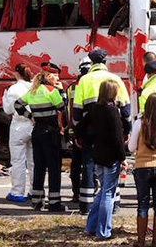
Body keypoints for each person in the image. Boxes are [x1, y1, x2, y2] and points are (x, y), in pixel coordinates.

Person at [72, 49, 130, 214]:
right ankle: (114, 203)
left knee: (89, 165)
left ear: (91, 63)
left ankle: (86, 206)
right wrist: (126, 130)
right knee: (113, 165)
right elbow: (125, 109)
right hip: (112, 129)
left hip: (90, 130)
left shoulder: (84, 81)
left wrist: (78, 133)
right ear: (105, 62)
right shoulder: (116, 79)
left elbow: (77, 111)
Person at [14, 62, 68, 212]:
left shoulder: (33, 91)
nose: (57, 78)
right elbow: (62, 107)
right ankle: (54, 202)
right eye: (55, 75)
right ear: (48, 77)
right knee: (54, 168)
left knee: (39, 166)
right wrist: (62, 91)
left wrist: (31, 116)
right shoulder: (52, 91)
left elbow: (18, 105)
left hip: (37, 132)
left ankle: (37, 201)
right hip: (51, 134)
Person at [78, 80, 125, 240]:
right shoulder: (113, 112)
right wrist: (123, 158)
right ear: (113, 93)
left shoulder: (94, 109)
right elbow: (118, 138)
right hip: (111, 157)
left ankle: (91, 226)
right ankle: (103, 231)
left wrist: (81, 138)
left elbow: (80, 126)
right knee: (108, 194)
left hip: (97, 155)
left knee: (102, 192)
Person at [128, 93, 156, 247]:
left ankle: (140, 241)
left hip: (142, 167)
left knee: (143, 204)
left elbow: (131, 147)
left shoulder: (139, 123)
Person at [2, 62, 34, 203]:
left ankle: (17, 192)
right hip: (33, 125)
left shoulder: (14, 88)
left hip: (18, 126)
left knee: (18, 161)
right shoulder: (34, 87)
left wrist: (4, 97)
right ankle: (34, 190)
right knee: (33, 161)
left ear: (16, 74)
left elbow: (8, 110)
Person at [68, 57, 92, 203]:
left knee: (76, 164)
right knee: (89, 163)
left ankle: (77, 193)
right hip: (87, 131)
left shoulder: (72, 86)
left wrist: (68, 128)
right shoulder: (90, 85)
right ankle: (87, 192)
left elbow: (68, 111)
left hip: (75, 131)